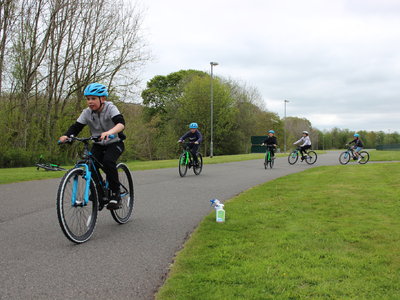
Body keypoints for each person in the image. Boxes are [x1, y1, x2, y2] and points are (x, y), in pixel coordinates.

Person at [59, 83, 126, 210]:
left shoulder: (110, 108)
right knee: (90, 165)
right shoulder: (87, 113)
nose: (90, 102)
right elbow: (76, 127)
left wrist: (109, 132)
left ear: (103, 99)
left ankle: (116, 195)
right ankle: (100, 193)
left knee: (108, 162)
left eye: (93, 98)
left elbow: (121, 124)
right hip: (98, 144)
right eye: (88, 98)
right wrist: (67, 136)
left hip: (115, 143)